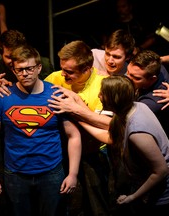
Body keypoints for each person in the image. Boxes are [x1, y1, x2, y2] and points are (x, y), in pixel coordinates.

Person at [0, 44, 82, 216]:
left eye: (29, 68)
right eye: (19, 70)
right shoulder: (3, 97)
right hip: (15, 173)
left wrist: (73, 173)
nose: (25, 73)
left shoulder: (56, 95)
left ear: (39, 68)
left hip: (51, 171)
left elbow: (73, 135)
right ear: (13, 70)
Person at [82, 75, 169, 215]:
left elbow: (161, 170)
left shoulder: (137, 132)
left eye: (103, 93)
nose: (99, 95)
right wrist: (78, 119)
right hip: (143, 186)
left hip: (159, 197)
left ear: (114, 99)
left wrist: (133, 197)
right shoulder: (136, 107)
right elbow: (112, 138)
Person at [45, 40, 113, 216]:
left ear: (86, 69)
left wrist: (75, 108)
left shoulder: (103, 85)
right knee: (61, 199)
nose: (63, 74)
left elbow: (107, 123)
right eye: (62, 68)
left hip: (93, 151)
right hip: (61, 150)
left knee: (96, 201)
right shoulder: (55, 77)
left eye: (69, 72)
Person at [0, 29, 55, 99]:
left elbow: (53, 90)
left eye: (29, 69)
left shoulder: (44, 64)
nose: (14, 61)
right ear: (1, 55)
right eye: (9, 57)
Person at [126, 49, 169, 137]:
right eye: (128, 72)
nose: (127, 78)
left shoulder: (153, 101)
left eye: (136, 78)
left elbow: (125, 122)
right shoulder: (155, 65)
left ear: (152, 79)